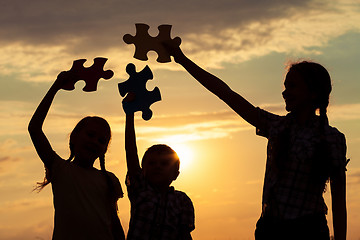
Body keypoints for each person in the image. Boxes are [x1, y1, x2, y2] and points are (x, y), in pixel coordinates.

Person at [163, 42, 348, 240]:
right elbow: (226, 94)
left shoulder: (333, 138)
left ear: (314, 93)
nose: (285, 92)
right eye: (285, 86)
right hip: (271, 228)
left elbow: (338, 199)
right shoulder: (277, 127)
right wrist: (182, 60)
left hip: (308, 230)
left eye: (292, 86)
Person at [28, 71, 125, 240]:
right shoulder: (60, 169)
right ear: (74, 136)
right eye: (90, 135)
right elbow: (34, 129)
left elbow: (114, 223)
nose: (95, 141)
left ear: (104, 150)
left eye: (102, 140)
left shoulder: (109, 180)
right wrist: (55, 87)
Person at [124, 96, 195, 239]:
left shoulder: (182, 200)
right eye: (152, 163)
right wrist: (129, 114)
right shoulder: (140, 188)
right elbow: (131, 152)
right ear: (143, 170)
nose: (157, 166)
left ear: (176, 174)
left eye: (164, 164)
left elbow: (185, 235)